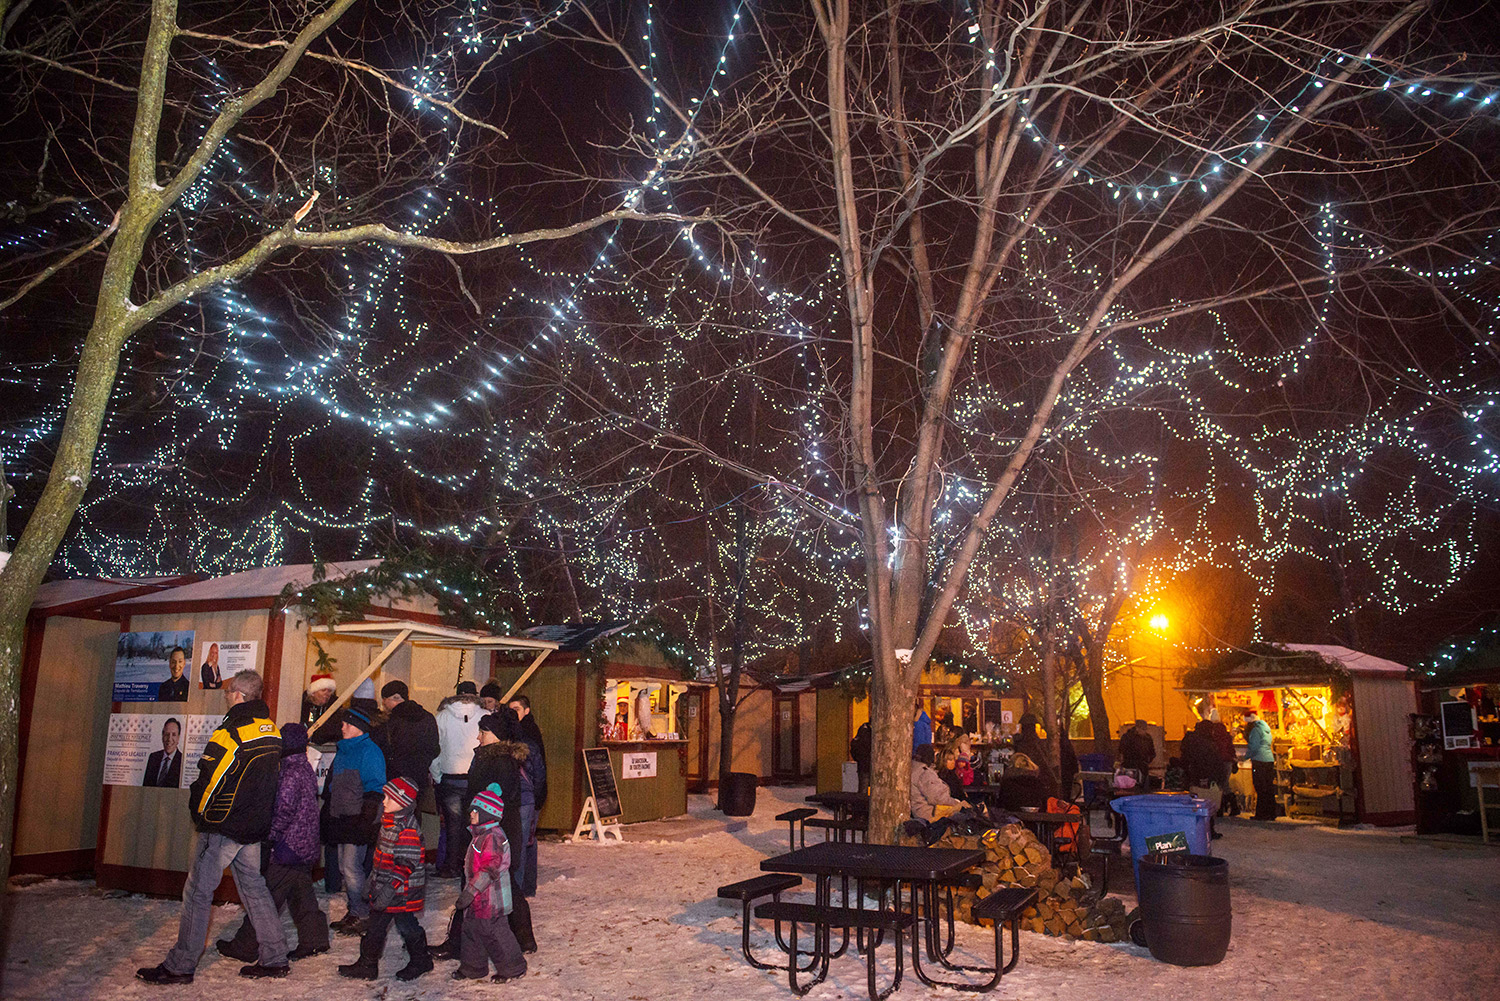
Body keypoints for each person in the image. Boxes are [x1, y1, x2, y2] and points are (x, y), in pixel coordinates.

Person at [136, 670, 288, 984]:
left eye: (228, 690)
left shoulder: (231, 732)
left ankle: (180, 965)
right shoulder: (271, 730)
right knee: (255, 890)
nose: (226, 695)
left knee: (197, 892)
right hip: (254, 826)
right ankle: (275, 957)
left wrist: (199, 812)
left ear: (237, 694)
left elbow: (210, 779)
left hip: (223, 826)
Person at [216, 723, 331, 962]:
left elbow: (283, 811)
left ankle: (246, 945)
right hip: (305, 845)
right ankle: (315, 939)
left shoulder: (289, 773)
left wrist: (270, 836)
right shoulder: (304, 767)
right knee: (302, 894)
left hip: (288, 847)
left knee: (266, 897)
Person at [433, 711, 536, 957]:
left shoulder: (498, 761)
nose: (478, 737)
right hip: (490, 830)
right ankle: (523, 938)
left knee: (475, 881)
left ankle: (459, 943)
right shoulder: (490, 757)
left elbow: (492, 800)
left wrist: (479, 831)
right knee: (504, 882)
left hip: (491, 832)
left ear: (497, 736)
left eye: (483, 732)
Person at [338, 777, 432, 982]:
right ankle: (369, 964)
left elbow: (405, 865)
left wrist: (389, 889)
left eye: (390, 798)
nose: (384, 801)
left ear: (403, 803)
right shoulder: (389, 823)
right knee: (382, 926)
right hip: (388, 889)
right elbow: (382, 859)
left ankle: (419, 960)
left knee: (401, 925)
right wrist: (373, 880)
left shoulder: (406, 829)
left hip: (401, 891)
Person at [452, 784, 527, 983]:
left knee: (495, 933)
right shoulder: (480, 835)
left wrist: (470, 891)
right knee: (471, 930)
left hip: (491, 897)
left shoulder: (493, 837)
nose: (471, 813)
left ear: (488, 814)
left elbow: (489, 868)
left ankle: (513, 967)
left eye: (476, 811)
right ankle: (472, 967)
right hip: (478, 896)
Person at [324, 707, 386, 936]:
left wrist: (367, 819)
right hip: (342, 817)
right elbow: (335, 784)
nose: (342, 727)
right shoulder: (344, 750)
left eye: (346, 724)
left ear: (357, 727)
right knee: (344, 867)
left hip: (357, 819)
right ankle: (354, 911)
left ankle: (362, 913)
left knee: (351, 868)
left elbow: (375, 787)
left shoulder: (369, 751)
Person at [433, 681, 484, 878]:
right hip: (474, 778)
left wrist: (437, 775)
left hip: (450, 777)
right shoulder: (484, 715)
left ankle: (452, 866)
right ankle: (471, 865)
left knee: (452, 826)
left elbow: (435, 748)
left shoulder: (442, 716)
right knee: (475, 824)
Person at [508, 694, 546, 897]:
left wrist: (536, 795)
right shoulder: (527, 730)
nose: (513, 713)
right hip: (531, 794)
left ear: (526, 710)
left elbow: (538, 768)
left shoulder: (526, 733)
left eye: (517, 709)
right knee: (528, 840)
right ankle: (527, 886)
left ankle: (520, 888)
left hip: (527, 795)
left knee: (522, 841)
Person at [379, 680, 441, 791]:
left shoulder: (390, 721)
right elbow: (434, 748)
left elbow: (385, 750)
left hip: (394, 779)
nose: (383, 703)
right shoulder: (428, 717)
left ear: (395, 698)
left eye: (384, 699)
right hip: (419, 778)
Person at [1181, 719, 1228, 838]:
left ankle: (1198, 829)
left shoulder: (1192, 741)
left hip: (1195, 776)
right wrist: (1217, 777)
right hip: (1204, 776)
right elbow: (1212, 761)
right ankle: (1208, 830)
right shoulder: (1205, 743)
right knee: (1207, 803)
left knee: (1197, 804)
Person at [909, 744, 970, 823]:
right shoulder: (924, 773)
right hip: (929, 814)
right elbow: (938, 798)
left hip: (921, 811)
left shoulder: (913, 768)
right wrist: (958, 803)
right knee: (967, 812)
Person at [1244, 709, 1277, 820]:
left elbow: (1253, 746)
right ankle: (1271, 813)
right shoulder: (1266, 729)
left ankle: (1261, 814)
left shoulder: (1255, 730)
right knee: (1268, 787)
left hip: (1259, 761)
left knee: (1260, 787)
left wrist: (1244, 757)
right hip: (1269, 760)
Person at [142, 718, 183, 788]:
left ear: (178, 738)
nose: (169, 739)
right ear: (162, 736)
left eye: (173, 735)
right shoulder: (153, 757)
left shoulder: (182, 760)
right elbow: (146, 786)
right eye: (167, 734)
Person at [849, 721, 872, 793]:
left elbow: (854, 746)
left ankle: (862, 803)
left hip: (864, 765)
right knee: (863, 790)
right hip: (866, 765)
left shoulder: (863, 730)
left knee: (863, 790)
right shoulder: (865, 732)